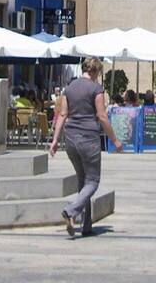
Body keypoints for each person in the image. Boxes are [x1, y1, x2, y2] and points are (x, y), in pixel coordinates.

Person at [49, 58, 121, 238]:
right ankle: (71, 210)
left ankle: (86, 225)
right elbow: (102, 116)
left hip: (71, 139)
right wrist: (114, 140)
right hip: (89, 138)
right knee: (93, 182)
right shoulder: (96, 89)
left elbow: (63, 114)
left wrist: (55, 140)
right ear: (96, 72)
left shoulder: (69, 88)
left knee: (83, 182)